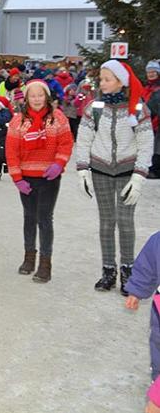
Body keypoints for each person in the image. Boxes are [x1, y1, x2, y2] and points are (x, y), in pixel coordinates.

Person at [75, 59, 154, 295]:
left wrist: (139, 177)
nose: (102, 83)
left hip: (127, 172)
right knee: (107, 221)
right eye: (101, 79)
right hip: (101, 170)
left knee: (126, 221)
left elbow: (145, 143)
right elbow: (84, 139)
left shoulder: (137, 108)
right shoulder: (94, 107)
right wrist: (83, 169)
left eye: (107, 79)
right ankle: (108, 269)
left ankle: (128, 269)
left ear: (121, 82)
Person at [4, 79, 74, 284]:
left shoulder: (58, 118)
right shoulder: (18, 121)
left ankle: (45, 263)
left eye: (40, 95)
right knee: (29, 217)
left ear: (46, 96)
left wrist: (59, 163)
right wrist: (17, 178)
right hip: (27, 178)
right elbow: (11, 151)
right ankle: (29, 256)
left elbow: (66, 143)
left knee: (44, 218)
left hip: (49, 177)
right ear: (26, 98)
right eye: (32, 95)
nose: (36, 99)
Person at [123, 230, 160, 382]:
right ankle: (157, 378)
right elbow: (147, 267)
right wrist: (136, 291)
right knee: (158, 342)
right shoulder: (158, 240)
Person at [144, 60, 160, 178]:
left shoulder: (158, 89)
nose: (151, 74)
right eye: (149, 72)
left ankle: (156, 170)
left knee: (157, 146)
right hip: (148, 120)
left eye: (153, 72)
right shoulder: (147, 87)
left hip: (156, 121)